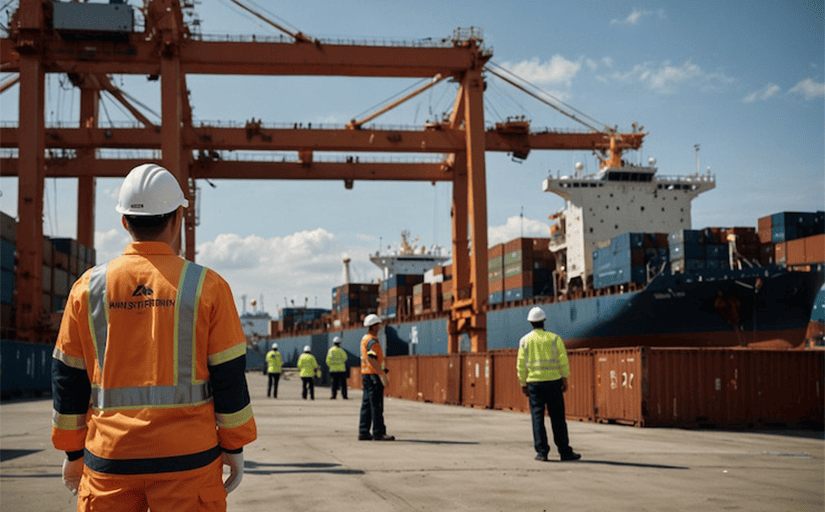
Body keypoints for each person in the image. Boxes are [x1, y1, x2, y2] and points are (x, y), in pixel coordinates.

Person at [51, 163, 257, 511]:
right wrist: (234, 447)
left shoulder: (87, 289)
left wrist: (73, 452)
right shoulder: (208, 286)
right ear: (178, 218)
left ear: (124, 222)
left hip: (109, 459)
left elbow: (67, 379)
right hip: (190, 461)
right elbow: (229, 376)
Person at [517, 306, 580, 462]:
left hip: (534, 384)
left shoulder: (525, 341)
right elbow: (563, 361)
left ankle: (542, 452)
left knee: (537, 418)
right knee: (558, 418)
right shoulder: (554, 338)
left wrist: (523, 383)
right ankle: (564, 452)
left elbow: (520, 364)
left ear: (530, 322)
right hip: (553, 382)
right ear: (544, 321)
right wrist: (565, 378)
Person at [358, 314, 394, 441]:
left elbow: (369, 359)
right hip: (373, 376)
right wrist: (382, 374)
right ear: (374, 326)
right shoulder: (372, 341)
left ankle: (363, 432)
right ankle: (379, 432)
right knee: (377, 405)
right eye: (378, 324)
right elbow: (372, 358)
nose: (380, 326)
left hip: (366, 374)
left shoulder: (365, 339)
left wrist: (381, 368)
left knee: (366, 405)